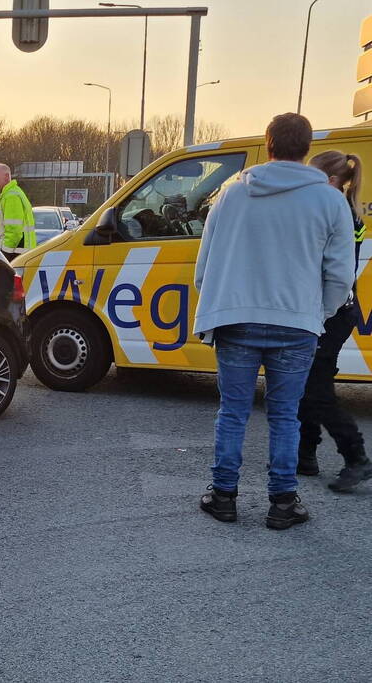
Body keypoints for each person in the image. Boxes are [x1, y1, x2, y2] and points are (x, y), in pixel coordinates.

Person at [194, 113, 355, 530]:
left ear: (268, 145)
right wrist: (317, 313)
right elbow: (339, 274)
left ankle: (224, 496)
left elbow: (204, 265)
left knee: (233, 412)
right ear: (307, 150)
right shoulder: (329, 200)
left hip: (236, 318)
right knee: (285, 414)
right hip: (297, 323)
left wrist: (219, 304)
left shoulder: (231, 194)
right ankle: (283, 502)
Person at [297, 150, 371, 492]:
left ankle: (356, 457)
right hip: (334, 309)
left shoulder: (334, 211)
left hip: (332, 311)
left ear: (328, 181)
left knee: (316, 387)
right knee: (307, 381)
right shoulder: (341, 208)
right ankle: (305, 454)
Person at [0, 163, 35, 255]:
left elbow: (14, 231)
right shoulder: (9, 194)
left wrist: (4, 255)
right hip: (16, 254)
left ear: (7, 176)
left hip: (13, 255)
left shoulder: (11, 196)